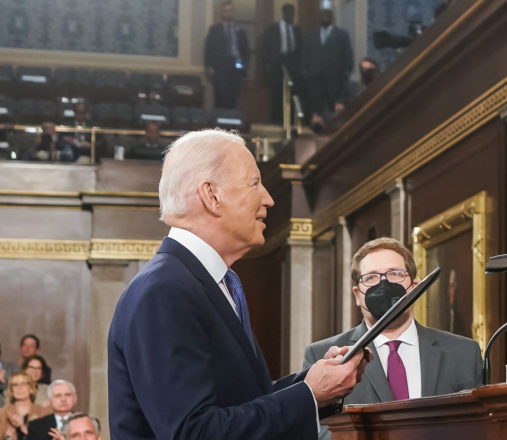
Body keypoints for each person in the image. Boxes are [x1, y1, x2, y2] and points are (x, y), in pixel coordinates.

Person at [107, 129, 370, 439]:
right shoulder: (164, 291)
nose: (269, 199)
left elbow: (240, 401)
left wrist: (314, 383)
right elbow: (194, 432)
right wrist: (308, 394)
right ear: (211, 195)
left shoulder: (200, 281)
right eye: (254, 183)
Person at [304, 237, 482, 440]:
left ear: (415, 286)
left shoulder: (464, 353)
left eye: (395, 274)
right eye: (371, 277)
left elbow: (480, 427)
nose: (384, 284)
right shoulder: (322, 356)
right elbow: (316, 431)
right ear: (357, 294)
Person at [303, 8, 353, 121]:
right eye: (322, 15)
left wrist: (346, 73)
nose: (325, 18)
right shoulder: (311, 35)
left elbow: (348, 55)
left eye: (327, 15)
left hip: (335, 78)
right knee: (316, 107)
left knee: (334, 107)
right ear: (318, 18)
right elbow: (305, 55)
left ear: (332, 18)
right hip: (315, 77)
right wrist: (306, 71)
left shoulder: (342, 34)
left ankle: (333, 133)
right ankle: (315, 130)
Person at [204, 1, 250, 109]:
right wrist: (208, 66)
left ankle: (231, 122)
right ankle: (219, 124)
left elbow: (246, 51)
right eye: (225, 11)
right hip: (219, 67)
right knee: (220, 96)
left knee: (233, 97)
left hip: (236, 66)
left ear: (234, 13)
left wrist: (244, 67)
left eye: (230, 10)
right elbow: (208, 49)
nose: (228, 13)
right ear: (221, 13)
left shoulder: (240, 31)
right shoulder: (215, 29)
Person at [262, 4, 303, 122]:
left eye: (293, 13)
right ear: (284, 13)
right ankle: (275, 121)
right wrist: (267, 67)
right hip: (277, 65)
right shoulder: (273, 29)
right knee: (276, 96)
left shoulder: (297, 30)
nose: (292, 16)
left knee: (291, 96)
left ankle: (289, 122)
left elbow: (300, 50)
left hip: (293, 66)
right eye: (289, 13)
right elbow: (266, 49)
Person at [0, 372, 50, 440]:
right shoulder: (2, 414)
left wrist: (24, 428)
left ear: (31, 389)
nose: (19, 388)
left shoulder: (44, 413)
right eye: (15, 385)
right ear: (11, 390)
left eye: (23, 384)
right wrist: (7, 437)